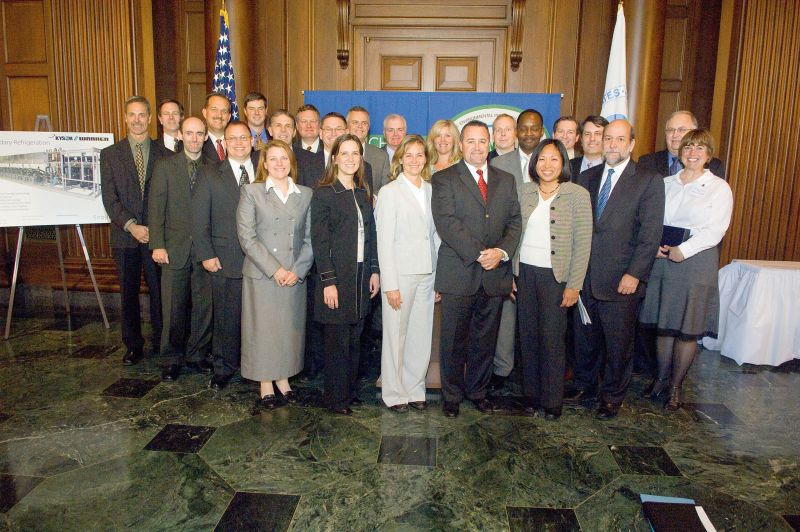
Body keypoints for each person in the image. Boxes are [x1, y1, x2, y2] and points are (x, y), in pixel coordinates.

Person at [566, 119, 664, 420]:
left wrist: (634, 274)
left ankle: (612, 396)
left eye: (620, 139)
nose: (612, 144)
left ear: (631, 144)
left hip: (622, 279)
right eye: (608, 138)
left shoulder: (648, 180)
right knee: (585, 339)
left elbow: (650, 235)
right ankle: (584, 385)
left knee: (618, 344)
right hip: (585, 276)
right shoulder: (587, 177)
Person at [432, 120, 522, 418]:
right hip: (459, 272)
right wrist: (480, 254)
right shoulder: (444, 179)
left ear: (490, 144)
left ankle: (478, 391)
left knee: (485, 339)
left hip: (494, 274)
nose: (477, 147)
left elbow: (514, 222)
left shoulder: (506, 180)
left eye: (482, 141)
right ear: (461, 145)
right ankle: (451, 396)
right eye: (470, 141)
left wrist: (501, 252)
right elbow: (446, 222)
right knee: (453, 341)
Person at [639, 129, 732, 410]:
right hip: (662, 258)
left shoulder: (718, 187)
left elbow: (716, 230)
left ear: (709, 155)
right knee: (664, 326)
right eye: (688, 147)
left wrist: (685, 250)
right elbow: (651, 219)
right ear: (680, 152)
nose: (693, 153)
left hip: (695, 261)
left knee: (686, 329)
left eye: (700, 148)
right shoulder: (665, 183)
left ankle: (676, 387)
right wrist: (653, 247)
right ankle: (659, 380)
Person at [514, 139, 592, 420]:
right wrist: (511, 274)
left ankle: (551, 401)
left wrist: (574, 285)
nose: (547, 165)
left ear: (563, 163)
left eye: (554, 159)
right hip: (525, 273)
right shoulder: (524, 191)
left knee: (552, 339)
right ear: (534, 163)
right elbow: (513, 234)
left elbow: (583, 244)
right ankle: (531, 396)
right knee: (527, 337)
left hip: (556, 277)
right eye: (542, 159)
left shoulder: (577, 195)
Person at [237, 140, 314, 411]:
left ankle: (284, 379)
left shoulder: (305, 194)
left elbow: (311, 238)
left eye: (284, 158)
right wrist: (276, 269)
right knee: (263, 331)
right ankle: (265, 382)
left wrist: (297, 270)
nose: (279, 163)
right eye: (273, 158)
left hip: (293, 275)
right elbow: (247, 237)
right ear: (265, 163)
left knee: (288, 331)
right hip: (263, 274)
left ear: (291, 162)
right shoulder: (252, 192)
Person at [310, 134, 380, 415]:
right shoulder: (324, 193)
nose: (350, 159)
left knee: (354, 340)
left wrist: (374, 271)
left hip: (361, 278)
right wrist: (328, 282)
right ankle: (336, 398)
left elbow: (370, 236)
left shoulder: (362, 192)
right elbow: (320, 241)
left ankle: (349, 393)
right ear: (335, 158)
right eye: (345, 153)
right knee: (337, 343)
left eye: (355, 154)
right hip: (337, 279)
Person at [192, 120, 260, 390]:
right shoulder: (209, 173)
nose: (239, 143)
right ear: (225, 143)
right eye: (233, 138)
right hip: (224, 258)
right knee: (225, 318)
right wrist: (206, 253)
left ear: (252, 141)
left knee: (258, 319)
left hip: (263, 260)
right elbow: (199, 218)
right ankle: (224, 367)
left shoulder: (266, 168)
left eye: (244, 138)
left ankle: (257, 366)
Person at [100, 95, 166, 365]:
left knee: (160, 293)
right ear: (125, 118)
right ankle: (133, 345)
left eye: (142, 115)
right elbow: (109, 198)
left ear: (150, 119)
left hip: (156, 237)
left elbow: (168, 198)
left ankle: (163, 342)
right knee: (128, 294)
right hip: (125, 237)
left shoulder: (165, 154)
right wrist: (132, 226)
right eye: (132, 115)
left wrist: (153, 228)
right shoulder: (110, 155)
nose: (137, 120)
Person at [375, 135, 439, 412]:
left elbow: (436, 236)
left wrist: (439, 277)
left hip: (428, 272)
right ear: (400, 159)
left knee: (420, 334)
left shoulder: (432, 191)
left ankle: (415, 388)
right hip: (400, 275)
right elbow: (384, 241)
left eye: (419, 155)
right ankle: (394, 393)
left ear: (426, 159)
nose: (414, 160)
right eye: (408, 155)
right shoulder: (390, 192)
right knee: (395, 335)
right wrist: (390, 284)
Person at [149, 116, 213, 381]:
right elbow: (156, 208)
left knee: (203, 308)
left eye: (199, 134)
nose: (194, 138)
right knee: (173, 308)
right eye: (189, 133)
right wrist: (157, 244)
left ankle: (197, 355)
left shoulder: (213, 167)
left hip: (205, 250)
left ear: (206, 136)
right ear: (180, 135)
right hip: (174, 249)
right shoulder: (165, 167)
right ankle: (171, 358)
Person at [487, 108, 543, 389]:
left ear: (541, 132)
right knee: (506, 317)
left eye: (534, 128)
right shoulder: (498, 164)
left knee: (536, 317)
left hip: (541, 252)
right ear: (517, 132)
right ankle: (502, 369)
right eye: (524, 128)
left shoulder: (551, 160)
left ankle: (530, 372)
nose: (529, 133)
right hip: (506, 248)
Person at [638, 111, 726, 179]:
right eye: (670, 130)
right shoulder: (647, 162)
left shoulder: (713, 166)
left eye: (682, 130)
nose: (675, 134)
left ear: (694, 133)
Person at [347, 106, 391, 192]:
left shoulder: (381, 156)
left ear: (368, 127)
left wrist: (373, 197)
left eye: (364, 123)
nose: (360, 126)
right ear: (347, 126)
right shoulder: (337, 154)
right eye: (355, 122)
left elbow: (386, 189)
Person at [569, 115, 608, 179]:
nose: (592, 139)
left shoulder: (611, 169)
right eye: (587, 134)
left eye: (597, 133)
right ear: (581, 139)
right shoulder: (568, 166)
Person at [201, 92, 232, 162]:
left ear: (229, 117)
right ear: (204, 113)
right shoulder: (197, 142)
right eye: (214, 109)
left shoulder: (238, 143)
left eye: (224, 111)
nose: (219, 115)